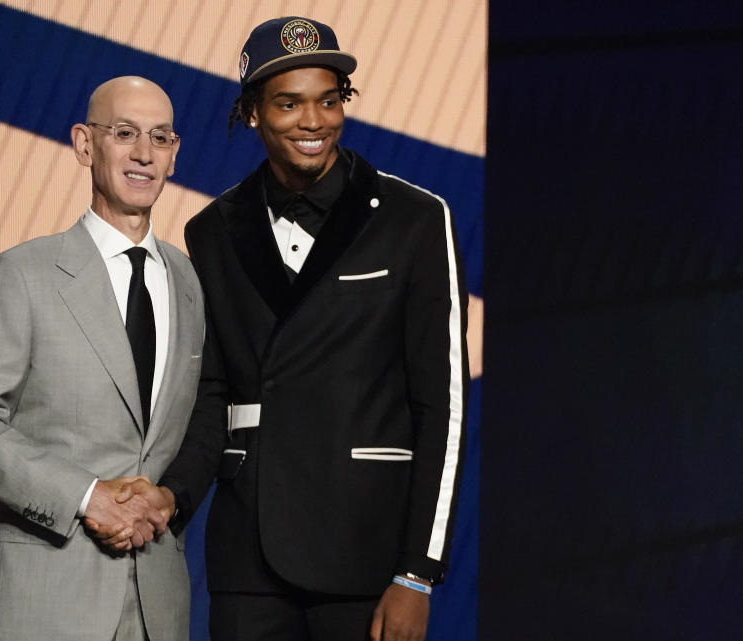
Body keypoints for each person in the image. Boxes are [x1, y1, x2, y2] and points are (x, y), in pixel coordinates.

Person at [107, 16, 470, 641]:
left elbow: (444, 406)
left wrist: (417, 573)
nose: (313, 121)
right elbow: (214, 392)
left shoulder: (414, 219)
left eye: (329, 101)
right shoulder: (214, 229)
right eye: (289, 103)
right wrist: (173, 496)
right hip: (251, 555)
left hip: (367, 551)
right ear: (252, 113)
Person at [0, 76, 204, 641]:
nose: (143, 153)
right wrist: (85, 497)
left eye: (159, 137)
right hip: (47, 598)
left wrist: (166, 501)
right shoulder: (20, 274)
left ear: (175, 155)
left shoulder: (189, 281)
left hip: (158, 602)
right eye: (124, 133)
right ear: (85, 144)